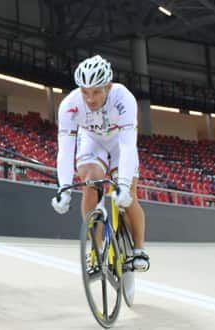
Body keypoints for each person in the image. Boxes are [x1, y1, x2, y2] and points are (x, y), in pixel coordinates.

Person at [51, 55, 149, 271]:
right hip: (91, 141)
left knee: (129, 195)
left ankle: (139, 249)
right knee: (89, 183)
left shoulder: (124, 99)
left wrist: (123, 184)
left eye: (96, 91)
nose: (90, 98)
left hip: (118, 142)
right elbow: (65, 151)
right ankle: (95, 249)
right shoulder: (69, 105)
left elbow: (127, 146)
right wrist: (64, 189)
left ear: (108, 86)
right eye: (85, 91)